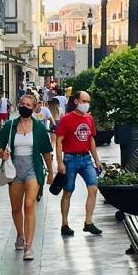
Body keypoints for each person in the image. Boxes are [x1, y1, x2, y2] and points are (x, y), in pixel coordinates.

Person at [0, 94, 54, 261]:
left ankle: (29, 246)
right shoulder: (10, 125)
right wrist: (3, 154)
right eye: (23, 104)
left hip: (33, 168)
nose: (25, 107)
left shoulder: (39, 128)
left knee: (29, 204)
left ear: (34, 107)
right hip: (14, 169)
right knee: (16, 208)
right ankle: (20, 235)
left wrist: (51, 172)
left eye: (29, 105)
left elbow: (46, 152)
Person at [55, 91, 103, 237]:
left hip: (86, 158)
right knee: (68, 191)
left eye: (88, 101)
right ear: (76, 101)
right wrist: (60, 162)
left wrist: (96, 159)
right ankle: (64, 223)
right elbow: (59, 141)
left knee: (93, 188)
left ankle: (88, 222)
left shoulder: (89, 118)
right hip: (70, 159)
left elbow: (91, 140)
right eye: (84, 101)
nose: (86, 104)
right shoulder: (66, 119)